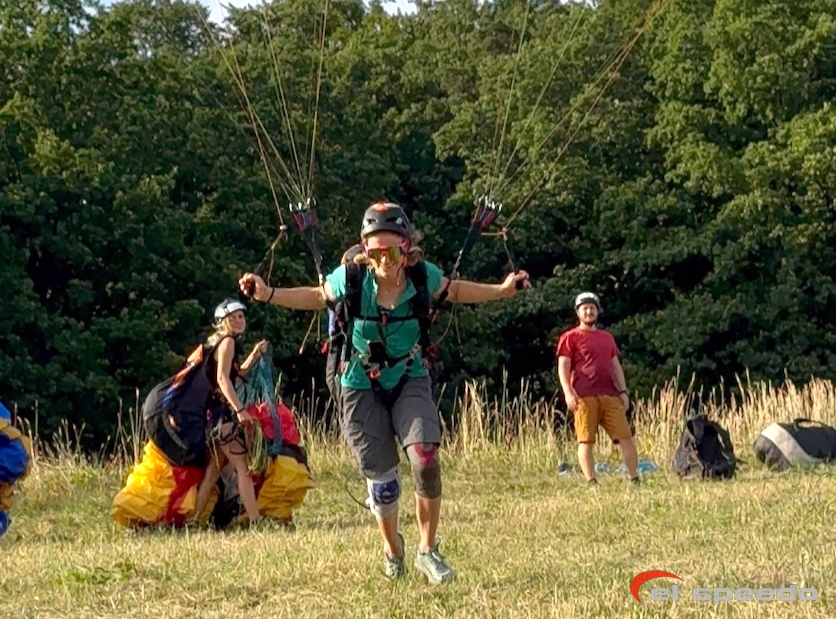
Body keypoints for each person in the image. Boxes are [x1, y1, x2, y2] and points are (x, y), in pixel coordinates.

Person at [239, 201, 531, 584]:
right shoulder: (352, 278)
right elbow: (315, 296)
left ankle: (428, 550)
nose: (384, 260)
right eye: (374, 252)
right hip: (359, 384)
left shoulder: (422, 277)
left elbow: (455, 290)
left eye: (393, 251)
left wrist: (502, 290)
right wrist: (268, 293)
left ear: (407, 249)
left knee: (425, 459)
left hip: (410, 375)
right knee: (385, 483)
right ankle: (393, 550)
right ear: (364, 252)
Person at [190, 298, 270, 527]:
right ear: (222, 322)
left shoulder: (223, 344)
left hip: (212, 415)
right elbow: (223, 379)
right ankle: (256, 521)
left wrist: (254, 354)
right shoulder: (228, 343)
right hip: (222, 414)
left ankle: (194, 520)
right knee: (242, 467)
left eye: (240, 316)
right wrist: (240, 410)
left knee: (213, 471)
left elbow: (237, 373)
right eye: (232, 317)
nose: (237, 320)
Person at [556, 292, 640, 486]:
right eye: (584, 308)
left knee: (626, 437)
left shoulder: (607, 338)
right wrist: (568, 392)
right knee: (586, 440)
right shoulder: (570, 337)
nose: (588, 311)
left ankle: (634, 478)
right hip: (583, 396)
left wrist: (623, 391)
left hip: (610, 395)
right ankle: (591, 481)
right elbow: (563, 367)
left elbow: (615, 366)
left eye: (592, 307)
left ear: (597, 311)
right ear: (578, 312)